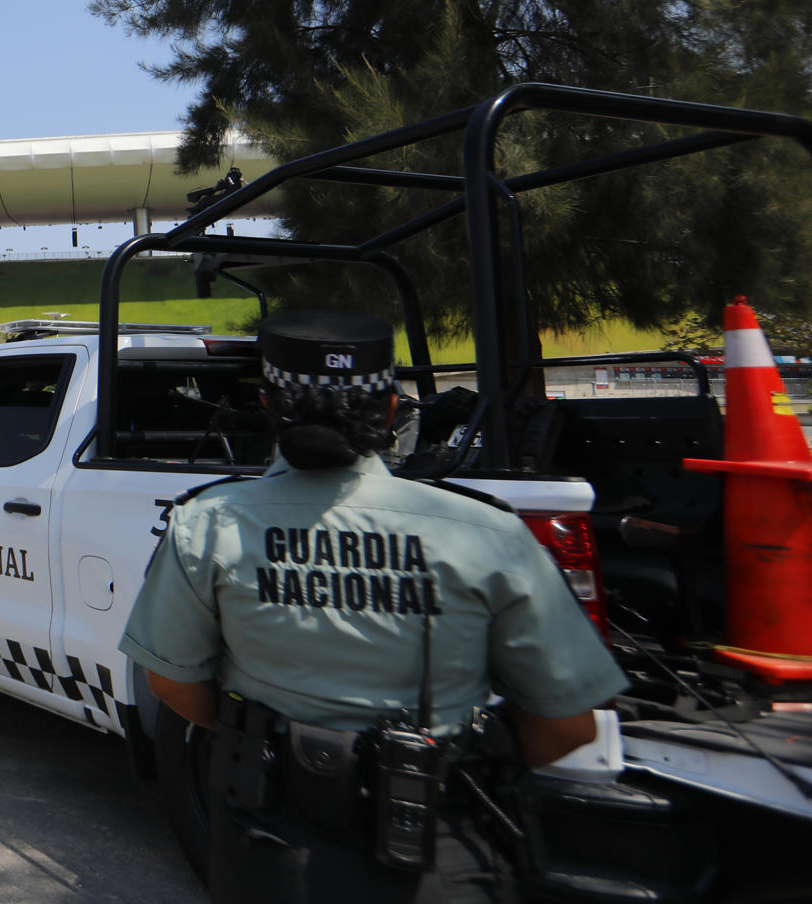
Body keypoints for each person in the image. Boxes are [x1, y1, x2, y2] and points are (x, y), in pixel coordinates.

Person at [121, 311, 627, 903]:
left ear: (267, 406)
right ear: (391, 410)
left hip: (270, 848)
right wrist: (462, 764)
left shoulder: (204, 525)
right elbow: (569, 723)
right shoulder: (488, 531)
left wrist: (264, 738)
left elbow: (174, 684)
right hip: (442, 849)